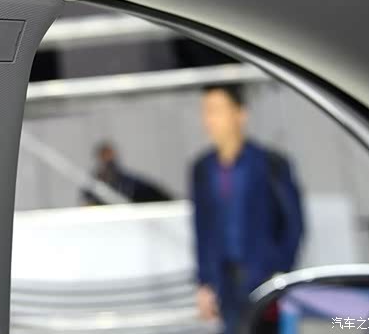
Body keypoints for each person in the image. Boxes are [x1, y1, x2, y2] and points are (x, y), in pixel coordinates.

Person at [191, 84, 304, 334]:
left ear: (240, 114)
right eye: (206, 111)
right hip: (224, 282)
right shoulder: (202, 168)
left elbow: (293, 222)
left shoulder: (270, 163)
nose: (209, 119)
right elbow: (202, 228)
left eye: (217, 110)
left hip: (262, 276)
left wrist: (279, 269)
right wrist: (204, 282)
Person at [82, 142, 172, 204]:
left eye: (110, 156)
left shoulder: (127, 180)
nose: (108, 160)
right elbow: (88, 200)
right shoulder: (94, 183)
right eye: (105, 156)